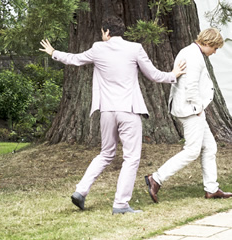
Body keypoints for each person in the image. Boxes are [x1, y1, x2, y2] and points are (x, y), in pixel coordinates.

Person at [40, 16, 186, 214]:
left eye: (102, 32)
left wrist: (53, 52)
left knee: (106, 153)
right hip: (128, 110)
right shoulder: (135, 49)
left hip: (107, 111)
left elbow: (75, 59)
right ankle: (120, 204)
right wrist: (173, 75)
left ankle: (80, 191)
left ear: (107, 32)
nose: (102, 35)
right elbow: (153, 75)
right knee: (131, 158)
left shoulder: (98, 48)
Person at [145, 28, 232, 203]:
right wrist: (198, 107)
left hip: (189, 108)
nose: (215, 52)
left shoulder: (190, 51)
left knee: (210, 147)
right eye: (215, 48)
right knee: (192, 150)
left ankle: (212, 188)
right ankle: (156, 178)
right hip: (190, 109)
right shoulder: (194, 56)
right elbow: (190, 86)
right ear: (207, 43)